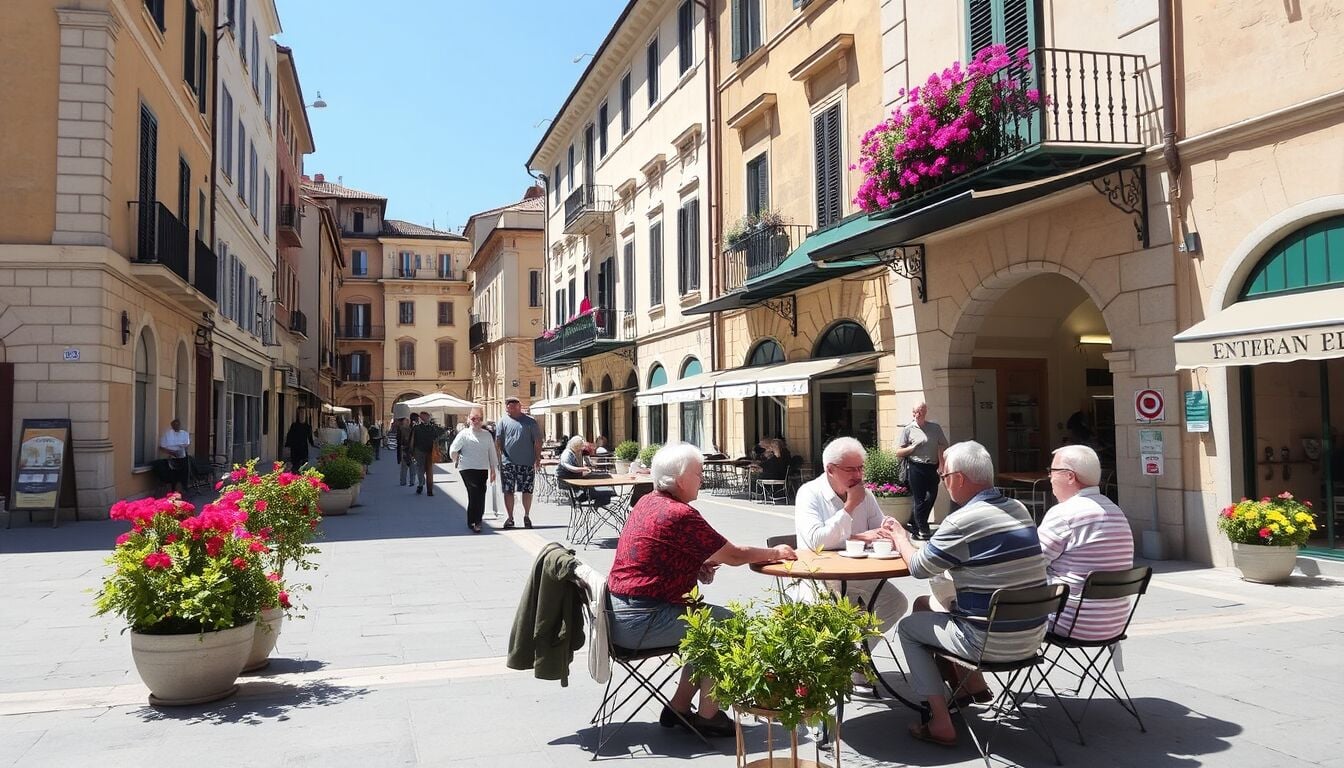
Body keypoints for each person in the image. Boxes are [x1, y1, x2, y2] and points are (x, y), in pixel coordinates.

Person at [606, 443, 798, 738]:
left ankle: (679, 708)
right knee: (729, 626)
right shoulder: (679, 513)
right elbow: (734, 555)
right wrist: (776, 552)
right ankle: (709, 715)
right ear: (680, 479)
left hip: (620, 614)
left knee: (706, 626)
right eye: (698, 473)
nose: (703, 479)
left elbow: (655, 554)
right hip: (642, 620)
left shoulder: (647, 502)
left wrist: (694, 566)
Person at [885, 440, 1047, 748]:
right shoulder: (1019, 509)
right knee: (924, 606)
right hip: (1031, 637)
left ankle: (940, 723)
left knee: (908, 629)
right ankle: (971, 684)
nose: (942, 483)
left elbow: (919, 568)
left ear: (958, 478)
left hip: (989, 642)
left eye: (944, 476)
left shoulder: (961, 521)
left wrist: (900, 537)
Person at [794, 437, 909, 635]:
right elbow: (817, 542)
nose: (858, 475)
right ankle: (848, 652)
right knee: (821, 617)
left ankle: (857, 650)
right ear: (830, 469)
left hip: (858, 574)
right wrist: (850, 508)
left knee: (896, 602)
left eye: (860, 468)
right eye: (850, 469)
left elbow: (880, 531)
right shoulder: (809, 493)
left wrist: (891, 532)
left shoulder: (866, 495)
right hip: (819, 577)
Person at [1039, 444, 1134, 640]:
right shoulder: (1115, 511)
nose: (1050, 477)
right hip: (1115, 624)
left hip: (1070, 623)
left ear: (1070, 476)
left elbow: (1032, 562)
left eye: (1052, 471)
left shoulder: (1064, 514)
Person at [894, 402, 949, 540]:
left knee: (931, 496)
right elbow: (899, 452)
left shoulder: (934, 428)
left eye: (921, 411)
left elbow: (943, 446)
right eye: (916, 411)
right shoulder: (908, 429)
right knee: (919, 499)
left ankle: (914, 522)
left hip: (932, 467)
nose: (918, 414)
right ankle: (922, 528)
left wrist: (942, 466)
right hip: (916, 466)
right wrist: (913, 447)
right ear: (912, 413)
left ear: (925, 411)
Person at [496, 397, 544, 530]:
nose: (508, 409)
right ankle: (510, 517)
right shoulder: (502, 421)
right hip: (508, 463)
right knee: (508, 490)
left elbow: (538, 442)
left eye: (511, 406)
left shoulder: (530, 422)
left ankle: (527, 515)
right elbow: (498, 440)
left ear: (519, 407)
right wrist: (499, 458)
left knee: (527, 490)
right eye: (507, 407)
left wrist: (537, 459)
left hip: (527, 462)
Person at [450, 408, 499, 534]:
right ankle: (475, 521)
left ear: (482, 420)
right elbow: (453, 449)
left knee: (481, 493)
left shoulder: (487, 435)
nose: (476, 421)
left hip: (482, 468)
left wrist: (493, 470)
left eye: (479, 419)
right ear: (468, 419)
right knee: (474, 492)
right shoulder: (464, 434)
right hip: (467, 468)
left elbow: (492, 453)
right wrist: (456, 459)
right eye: (473, 418)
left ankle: (476, 519)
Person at [556, 435, 616, 508]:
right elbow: (569, 467)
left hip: (578, 486)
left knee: (606, 489)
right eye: (581, 446)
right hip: (576, 490)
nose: (582, 448)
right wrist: (583, 469)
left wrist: (587, 467)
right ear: (576, 445)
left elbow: (584, 462)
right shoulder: (567, 454)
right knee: (608, 492)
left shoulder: (576, 452)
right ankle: (596, 507)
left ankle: (596, 507)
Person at [410, 411, 445, 496]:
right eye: (426, 417)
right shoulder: (424, 428)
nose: (427, 418)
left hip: (425, 451)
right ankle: (425, 488)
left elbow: (412, 440)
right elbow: (440, 433)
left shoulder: (422, 428)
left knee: (423, 469)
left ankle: (424, 486)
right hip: (423, 450)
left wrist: (411, 451)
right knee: (425, 469)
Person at [159, 418, 191, 494]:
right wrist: (171, 452)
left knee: (183, 474)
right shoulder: (168, 434)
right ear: (172, 425)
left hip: (182, 457)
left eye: (178, 424)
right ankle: (173, 490)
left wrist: (181, 448)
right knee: (173, 474)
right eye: (175, 425)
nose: (177, 426)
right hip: (172, 457)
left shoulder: (184, 434)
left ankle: (183, 489)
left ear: (180, 425)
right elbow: (161, 446)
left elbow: (187, 444)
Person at [396, 414, 417, 487]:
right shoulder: (405, 429)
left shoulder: (405, 429)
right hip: (407, 449)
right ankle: (410, 481)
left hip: (406, 449)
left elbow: (399, 440)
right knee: (409, 466)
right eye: (406, 420)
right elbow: (399, 440)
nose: (408, 421)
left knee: (407, 466)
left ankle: (404, 481)